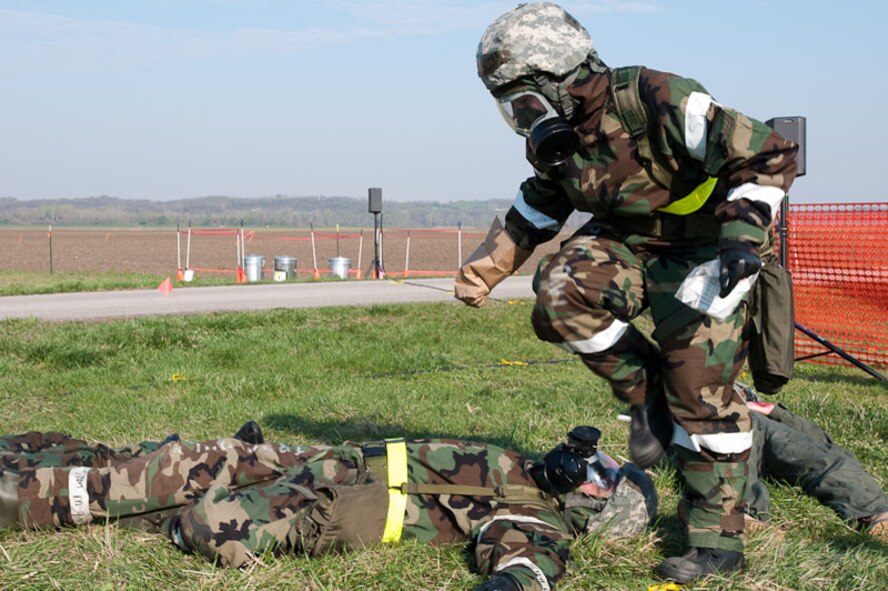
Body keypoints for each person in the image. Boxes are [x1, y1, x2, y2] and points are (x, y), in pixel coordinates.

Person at [455, 3, 799, 583]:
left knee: (701, 391)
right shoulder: (556, 138)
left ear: (559, 75)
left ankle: (719, 541)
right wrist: (486, 269)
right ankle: (647, 396)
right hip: (630, 245)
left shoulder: (657, 97)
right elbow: (539, 204)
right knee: (560, 291)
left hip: (709, 248)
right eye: (507, 101)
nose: (519, 114)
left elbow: (769, 152)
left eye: (523, 96)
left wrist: (741, 239)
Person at [0, 423, 656, 591]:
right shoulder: (526, 468)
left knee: (181, 509)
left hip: (323, 506)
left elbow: (529, 568)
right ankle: (32, 463)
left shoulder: (538, 523)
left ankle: (21, 500)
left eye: (601, 477)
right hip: (324, 461)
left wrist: (511, 579)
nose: (585, 466)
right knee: (187, 460)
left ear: (596, 512)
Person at [736, 383, 888, 541]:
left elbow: (819, 441)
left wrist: (778, 413)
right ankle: (741, 517)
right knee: (730, 457)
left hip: (763, 421)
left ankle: (879, 514)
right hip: (723, 420)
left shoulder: (743, 389)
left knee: (823, 460)